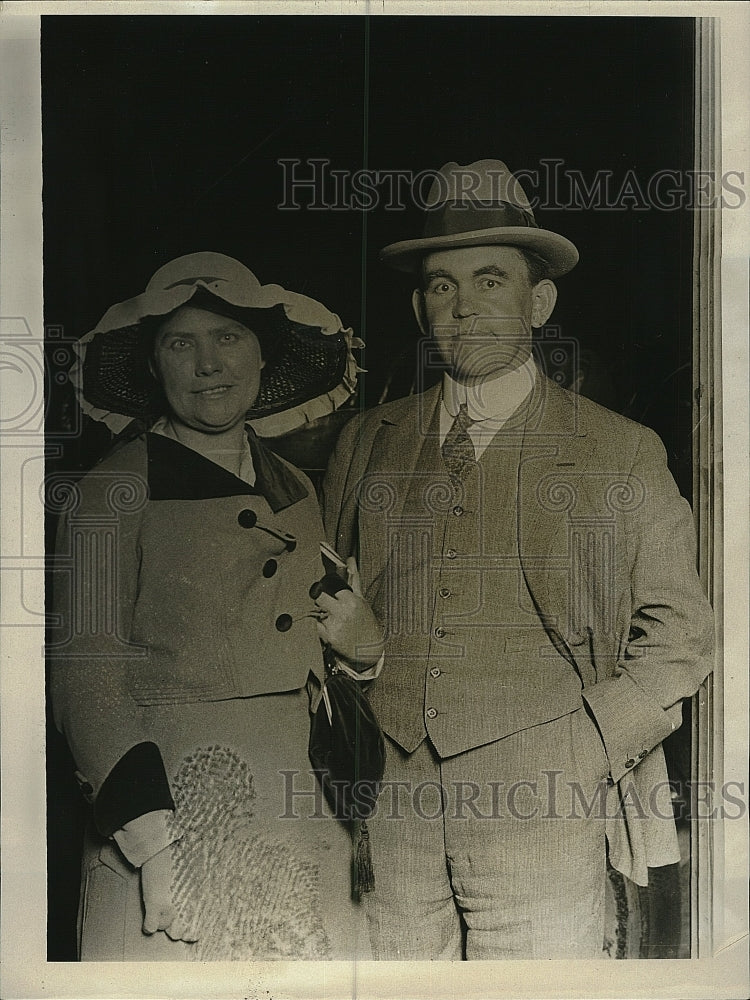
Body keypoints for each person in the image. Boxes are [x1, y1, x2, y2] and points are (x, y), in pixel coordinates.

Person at [321, 160, 714, 960]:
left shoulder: (618, 450)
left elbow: (682, 638)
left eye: (490, 280)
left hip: (546, 808)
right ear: (417, 306)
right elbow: (331, 601)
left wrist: (590, 748)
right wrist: (366, 667)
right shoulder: (368, 440)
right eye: (440, 285)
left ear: (539, 303)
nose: (463, 306)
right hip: (391, 807)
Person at [48, 252, 382, 961]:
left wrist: (363, 649)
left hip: (298, 809)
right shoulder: (110, 492)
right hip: (171, 811)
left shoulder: (294, 483)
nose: (209, 364)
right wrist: (156, 844)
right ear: (151, 364)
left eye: (229, 338)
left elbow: (318, 640)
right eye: (181, 343)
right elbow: (87, 679)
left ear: (264, 357)